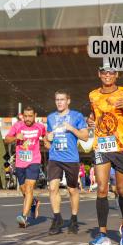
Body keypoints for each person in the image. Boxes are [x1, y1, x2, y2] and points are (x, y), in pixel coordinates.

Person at [87, 62, 123, 245]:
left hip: (121, 147)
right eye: (104, 72)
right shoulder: (93, 95)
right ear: (99, 74)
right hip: (102, 146)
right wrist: (91, 120)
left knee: (122, 189)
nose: (107, 75)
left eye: (111, 72)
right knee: (101, 189)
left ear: (117, 74)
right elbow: (95, 114)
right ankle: (102, 234)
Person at [45, 90, 89, 234]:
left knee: (72, 190)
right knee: (52, 188)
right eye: (57, 99)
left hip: (71, 158)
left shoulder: (76, 116)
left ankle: (74, 219)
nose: (59, 102)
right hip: (54, 157)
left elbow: (85, 137)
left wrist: (72, 129)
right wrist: (48, 137)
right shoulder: (51, 117)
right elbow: (47, 137)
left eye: (62, 99)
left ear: (68, 101)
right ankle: (57, 219)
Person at [6, 107, 47, 227]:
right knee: (23, 189)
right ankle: (34, 202)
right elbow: (7, 139)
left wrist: (47, 141)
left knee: (29, 188)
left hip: (34, 161)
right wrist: (15, 137)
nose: (28, 119)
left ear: (35, 115)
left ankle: (24, 217)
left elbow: (45, 136)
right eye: (26, 116)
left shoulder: (40, 127)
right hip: (20, 162)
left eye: (30, 116)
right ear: (22, 115)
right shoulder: (17, 126)